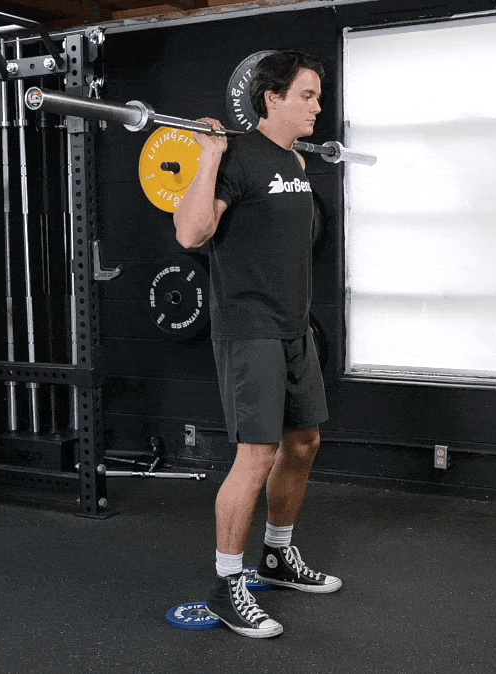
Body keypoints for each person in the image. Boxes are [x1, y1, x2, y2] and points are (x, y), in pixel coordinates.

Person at [173, 50, 341, 639]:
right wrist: (210, 156)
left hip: (294, 328)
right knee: (258, 455)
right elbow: (191, 231)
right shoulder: (239, 156)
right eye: (308, 95)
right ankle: (226, 584)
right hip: (250, 329)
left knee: (304, 442)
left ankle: (276, 554)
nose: (319, 105)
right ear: (272, 100)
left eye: (318, 96)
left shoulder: (294, 158)